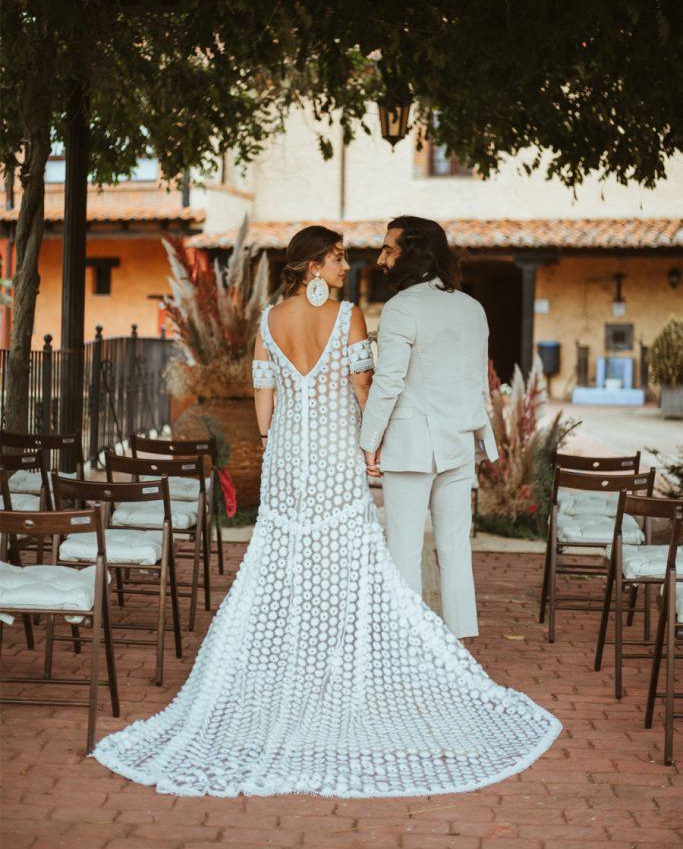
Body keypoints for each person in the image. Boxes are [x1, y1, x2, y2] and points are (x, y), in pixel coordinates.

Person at [92, 224, 561, 798]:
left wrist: (270, 440)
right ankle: (377, 663)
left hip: (289, 452)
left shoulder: (268, 320)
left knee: (284, 554)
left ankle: (296, 665)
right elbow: (365, 384)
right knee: (354, 554)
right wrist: (371, 440)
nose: (348, 265)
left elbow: (263, 394)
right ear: (313, 265)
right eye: (338, 257)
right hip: (341, 449)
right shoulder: (352, 318)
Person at [360, 215, 497, 639]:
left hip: (411, 444)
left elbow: (387, 382)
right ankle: (458, 644)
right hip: (457, 442)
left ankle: (407, 646)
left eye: (388, 249)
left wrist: (369, 442)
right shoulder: (472, 307)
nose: (381, 259)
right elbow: (479, 384)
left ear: (413, 251)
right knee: (455, 550)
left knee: (403, 548)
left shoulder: (402, 307)